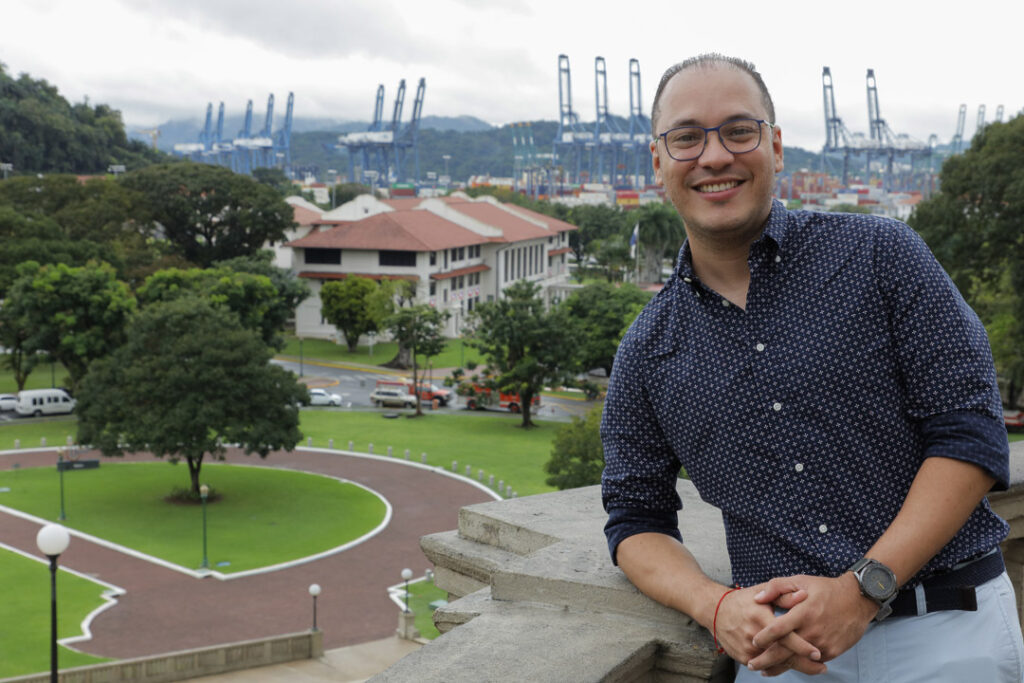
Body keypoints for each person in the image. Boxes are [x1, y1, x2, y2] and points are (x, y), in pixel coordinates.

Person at [600, 53, 1024, 681]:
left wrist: (862, 590)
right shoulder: (648, 347)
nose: (714, 156)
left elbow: (969, 436)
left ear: (774, 146)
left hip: (946, 630)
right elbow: (634, 518)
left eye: (738, 131)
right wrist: (714, 605)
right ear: (658, 161)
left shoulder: (883, 256)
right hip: (782, 659)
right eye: (686, 137)